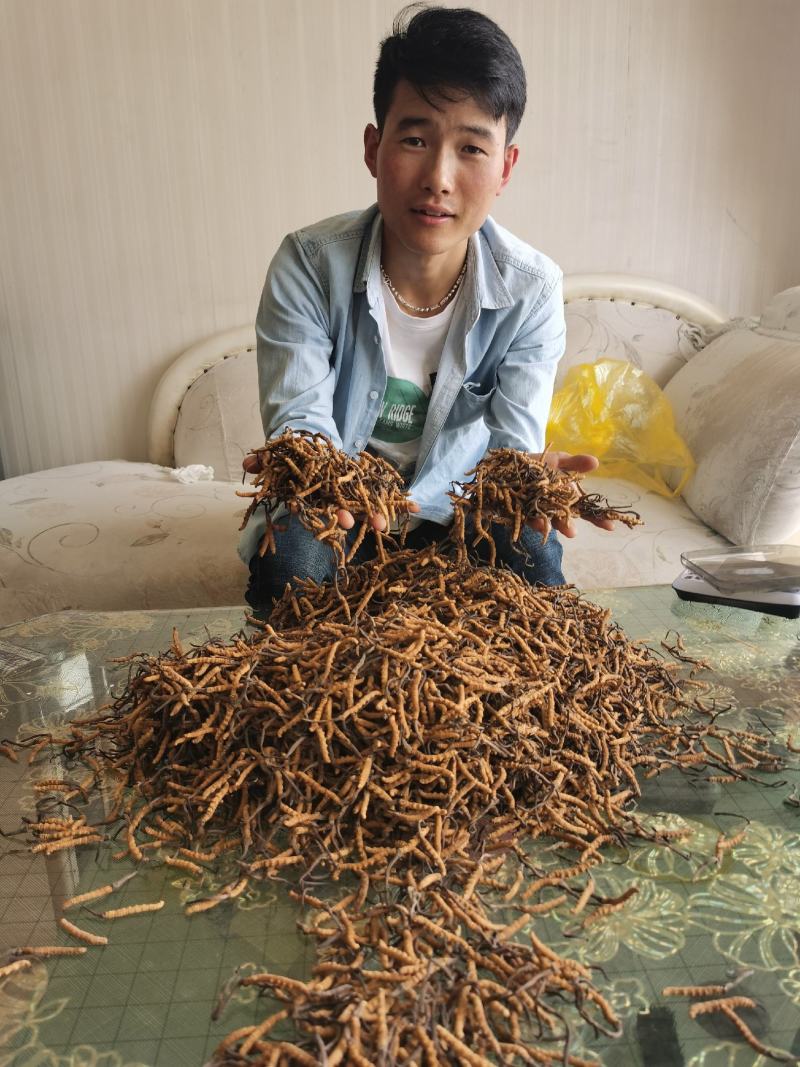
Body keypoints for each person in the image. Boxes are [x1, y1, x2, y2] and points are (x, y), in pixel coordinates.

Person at [240, 4, 611, 612]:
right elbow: (302, 430)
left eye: (471, 148)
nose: (439, 177)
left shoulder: (532, 288)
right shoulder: (308, 263)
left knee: (534, 557)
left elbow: (509, 454)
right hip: (338, 509)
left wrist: (527, 478)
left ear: (505, 168)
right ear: (373, 148)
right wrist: (328, 486)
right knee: (293, 561)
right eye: (414, 139)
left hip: (456, 507)